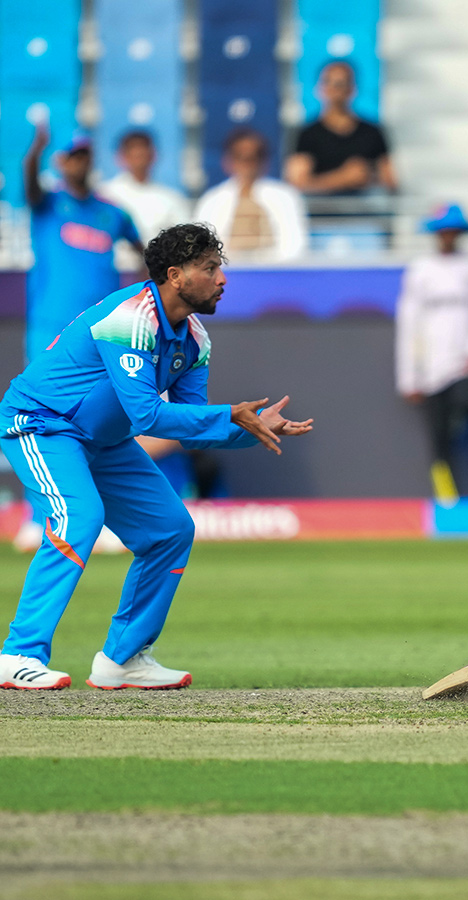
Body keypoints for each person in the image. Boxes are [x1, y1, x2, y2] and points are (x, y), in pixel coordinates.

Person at [0, 223, 313, 691]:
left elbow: (191, 427)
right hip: (41, 425)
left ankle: (123, 658)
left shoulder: (196, 339)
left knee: (172, 530)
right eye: (210, 268)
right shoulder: (130, 318)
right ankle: (19, 654)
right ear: (175, 275)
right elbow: (148, 416)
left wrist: (250, 429)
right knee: (78, 517)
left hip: (103, 442)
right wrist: (231, 414)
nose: (222, 279)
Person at [396, 204, 468, 503]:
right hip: (430, 371)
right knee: (438, 441)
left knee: (467, 401)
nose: (448, 237)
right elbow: (409, 325)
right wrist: (409, 376)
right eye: (442, 231)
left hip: (464, 365)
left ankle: (457, 421)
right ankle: (448, 500)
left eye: (453, 231)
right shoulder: (420, 269)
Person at [23, 126, 143, 361]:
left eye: (84, 155)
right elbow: (31, 187)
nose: (79, 162)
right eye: (72, 156)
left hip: (101, 326)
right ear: (60, 162)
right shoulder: (47, 204)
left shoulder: (112, 211)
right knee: (42, 394)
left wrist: (141, 298)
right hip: (51, 323)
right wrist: (36, 152)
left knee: (95, 396)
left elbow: (145, 252)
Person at [284, 60, 397, 196]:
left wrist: (368, 177)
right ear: (321, 88)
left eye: (342, 83)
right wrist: (342, 178)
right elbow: (297, 185)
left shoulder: (372, 133)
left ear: (352, 88)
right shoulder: (308, 135)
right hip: (323, 213)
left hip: (364, 211)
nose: (336, 89)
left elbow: (391, 182)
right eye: (330, 82)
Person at [194, 128, 308, 263]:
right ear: (228, 161)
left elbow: (295, 245)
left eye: (254, 156)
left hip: (275, 271)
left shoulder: (286, 197)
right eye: (240, 156)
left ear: (265, 160)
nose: (247, 163)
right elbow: (201, 248)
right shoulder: (211, 200)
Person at [99, 130, 192, 271]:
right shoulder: (104, 194)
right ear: (121, 157)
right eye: (133, 154)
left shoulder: (172, 199)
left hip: (155, 274)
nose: (139, 159)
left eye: (143, 153)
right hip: (113, 272)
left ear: (153, 155)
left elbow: (183, 244)